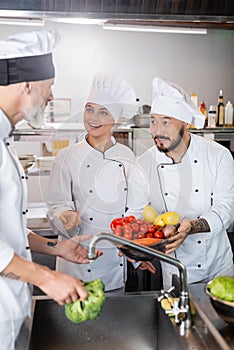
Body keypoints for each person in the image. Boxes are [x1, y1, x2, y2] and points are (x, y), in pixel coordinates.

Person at [0, 29, 99, 350]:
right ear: (27, 85)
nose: (52, 97)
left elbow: (7, 229)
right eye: (50, 88)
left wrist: (55, 249)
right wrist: (46, 277)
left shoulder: (5, 140)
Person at [47, 71, 155, 294]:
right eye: (89, 109)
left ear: (114, 119)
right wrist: (65, 216)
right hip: (74, 262)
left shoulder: (127, 157)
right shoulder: (66, 156)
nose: (93, 118)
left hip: (111, 263)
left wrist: (134, 255)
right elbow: (56, 205)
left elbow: (134, 210)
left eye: (103, 112)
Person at [127, 76, 234, 289]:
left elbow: (226, 209)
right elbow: (135, 214)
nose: (157, 130)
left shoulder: (218, 155)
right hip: (175, 269)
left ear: (186, 122)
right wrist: (137, 252)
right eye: (153, 121)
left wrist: (191, 227)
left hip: (218, 267)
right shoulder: (143, 164)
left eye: (166, 121)